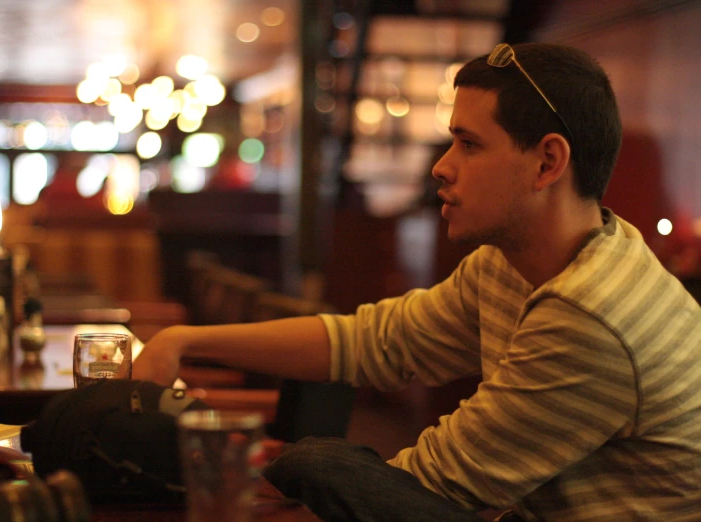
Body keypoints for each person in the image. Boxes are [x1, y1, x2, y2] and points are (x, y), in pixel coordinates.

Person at [134, 42, 701, 521]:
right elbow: (376, 341)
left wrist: (243, 485)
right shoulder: (513, 261)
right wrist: (186, 340)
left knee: (322, 466)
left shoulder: (592, 315)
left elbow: (434, 486)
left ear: (548, 163)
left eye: (469, 144)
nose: (441, 166)